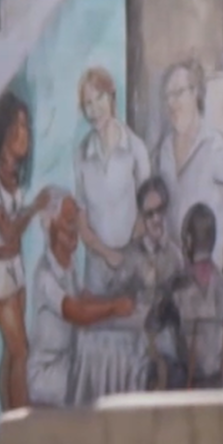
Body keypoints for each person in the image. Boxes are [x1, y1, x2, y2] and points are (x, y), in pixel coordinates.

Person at [26, 189, 135, 406]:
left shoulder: (70, 266)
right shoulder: (46, 274)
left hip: (69, 363)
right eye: (69, 222)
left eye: (76, 221)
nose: (75, 228)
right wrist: (113, 308)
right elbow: (76, 311)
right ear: (52, 227)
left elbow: (84, 298)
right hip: (49, 373)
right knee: (101, 384)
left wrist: (117, 302)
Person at [0, 92, 49, 411]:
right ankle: (21, 422)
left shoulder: (14, 176)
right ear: (3, 130)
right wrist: (34, 209)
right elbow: (7, 231)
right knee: (22, 351)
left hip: (16, 270)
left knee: (11, 352)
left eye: (26, 125)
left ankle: (7, 421)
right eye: (18, 125)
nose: (24, 133)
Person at [153, 60, 223, 271]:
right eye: (167, 96)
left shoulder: (213, 146)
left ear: (195, 92)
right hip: (173, 266)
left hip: (205, 266)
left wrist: (219, 218)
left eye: (178, 93)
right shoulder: (165, 148)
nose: (171, 103)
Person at [145, 202, 223, 390]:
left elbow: (151, 323)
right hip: (216, 382)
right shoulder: (222, 285)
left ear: (189, 240)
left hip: (185, 384)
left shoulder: (175, 287)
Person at [73, 67, 152, 293]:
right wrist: (107, 254)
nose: (94, 109)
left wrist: (125, 256)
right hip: (96, 268)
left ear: (112, 97)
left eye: (99, 98)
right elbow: (82, 221)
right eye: (88, 104)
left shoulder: (135, 148)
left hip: (131, 260)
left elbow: (147, 212)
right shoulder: (81, 154)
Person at [110, 176, 183, 308]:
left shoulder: (176, 256)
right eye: (149, 213)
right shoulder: (131, 256)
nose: (156, 219)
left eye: (160, 210)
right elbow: (114, 297)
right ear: (142, 216)